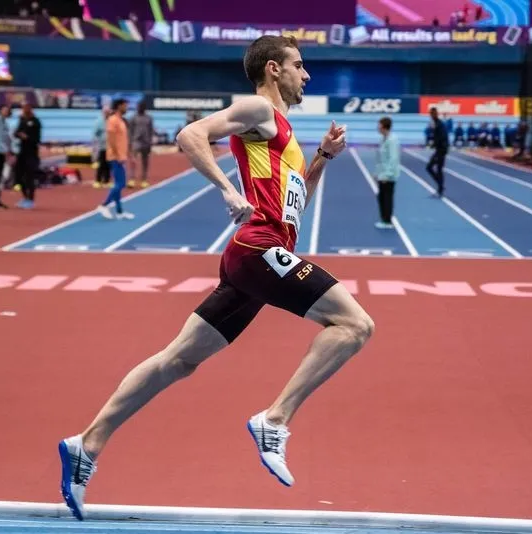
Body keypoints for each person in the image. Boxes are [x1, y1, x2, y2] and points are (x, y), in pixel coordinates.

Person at [58, 34, 371, 521]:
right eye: (299, 65)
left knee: (179, 360)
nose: (306, 75)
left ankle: (87, 444)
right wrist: (227, 189)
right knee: (355, 326)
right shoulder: (256, 109)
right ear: (273, 69)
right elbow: (190, 136)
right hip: (257, 247)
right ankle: (275, 420)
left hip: (260, 254)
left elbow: (298, 203)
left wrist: (323, 158)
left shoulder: (283, 132)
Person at [96, 98, 134, 219]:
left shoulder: (121, 120)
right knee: (120, 183)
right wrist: (118, 155)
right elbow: (111, 139)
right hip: (115, 156)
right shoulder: (113, 120)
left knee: (119, 183)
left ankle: (119, 211)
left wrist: (128, 154)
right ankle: (104, 204)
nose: (127, 108)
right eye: (125, 106)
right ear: (119, 106)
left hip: (120, 155)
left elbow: (123, 139)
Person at [13, 102, 41, 209]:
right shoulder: (21, 120)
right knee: (19, 176)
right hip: (21, 152)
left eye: (26, 107)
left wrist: (27, 137)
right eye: (23, 108)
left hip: (32, 153)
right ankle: (25, 197)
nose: (24, 109)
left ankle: (31, 199)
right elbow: (16, 133)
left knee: (30, 177)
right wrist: (19, 135)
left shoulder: (36, 122)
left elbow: (37, 139)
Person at [374, 116, 400, 229]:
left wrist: (387, 174)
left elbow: (393, 159)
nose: (377, 127)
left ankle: (388, 221)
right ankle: (384, 219)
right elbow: (381, 159)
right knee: (381, 197)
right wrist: (377, 173)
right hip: (382, 174)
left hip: (389, 176)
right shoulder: (382, 139)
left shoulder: (392, 140)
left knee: (387, 198)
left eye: (379, 125)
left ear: (384, 126)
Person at [128, 100, 155, 188]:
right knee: (133, 161)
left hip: (146, 142)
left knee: (145, 162)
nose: (140, 108)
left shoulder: (149, 118)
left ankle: (144, 179)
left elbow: (151, 130)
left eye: (141, 107)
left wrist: (150, 142)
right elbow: (130, 130)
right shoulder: (133, 118)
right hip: (136, 142)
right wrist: (130, 142)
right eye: (139, 107)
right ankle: (132, 179)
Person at [425, 107, 449, 197]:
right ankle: (440, 187)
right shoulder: (435, 123)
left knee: (434, 168)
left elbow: (442, 137)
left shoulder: (439, 124)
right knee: (432, 168)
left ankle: (440, 188)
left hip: (441, 150)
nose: (430, 116)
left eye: (431, 114)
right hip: (440, 149)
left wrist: (433, 144)